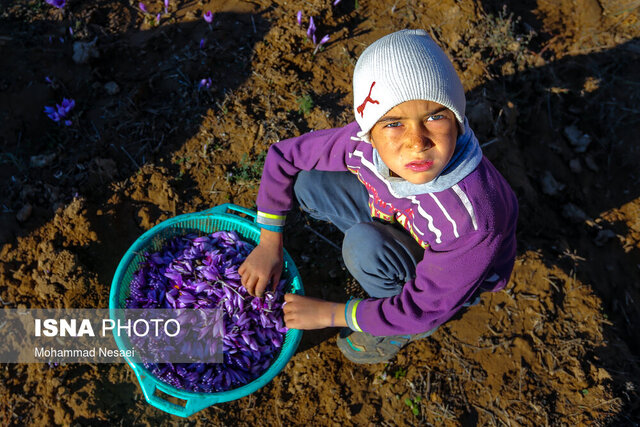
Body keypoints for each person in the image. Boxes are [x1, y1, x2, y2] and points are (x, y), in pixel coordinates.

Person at [238, 29, 518, 364]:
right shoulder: (359, 142)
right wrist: (269, 241)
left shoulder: (470, 220)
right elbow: (285, 157)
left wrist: (331, 314)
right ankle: (379, 250)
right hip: (398, 214)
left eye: (434, 116)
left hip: (450, 274)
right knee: (310, 183)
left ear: (457, 121)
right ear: (368, 131)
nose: (417, 142)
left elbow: (422, 309)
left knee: (364, 246)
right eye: (393, 123)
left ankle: (396, 325)